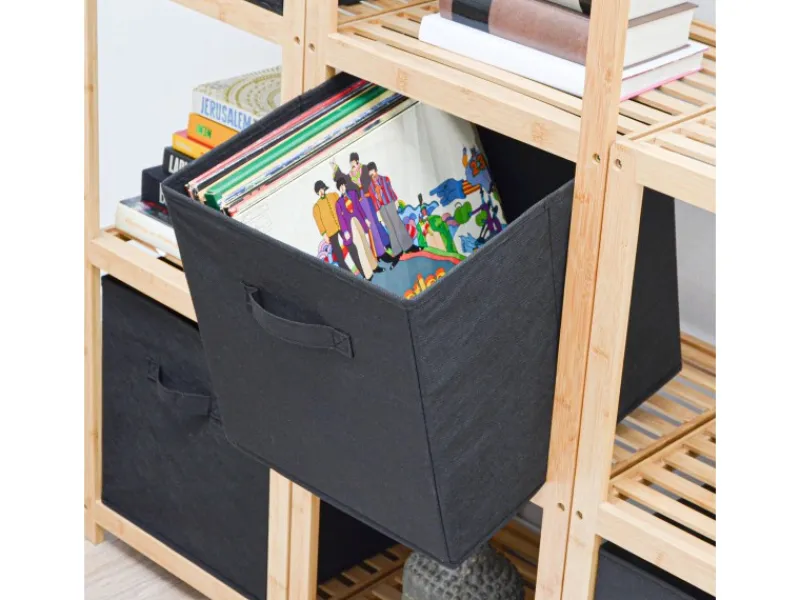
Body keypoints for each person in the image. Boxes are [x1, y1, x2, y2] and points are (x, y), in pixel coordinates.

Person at [365, 162, 418, 257]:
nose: (373, 176)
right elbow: (374, 199)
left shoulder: (384, 179)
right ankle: (397, 251)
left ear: (376, 171)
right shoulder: (370, 187)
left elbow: (390, 190)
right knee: (390, 228)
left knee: (398, 224)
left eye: (373, 173)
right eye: (371, 175)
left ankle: (408, 246)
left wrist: (396, 201)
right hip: (382, 208)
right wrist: (378, 212)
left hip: (389, 203)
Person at [334, 176, 382, 280]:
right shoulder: (338, 203)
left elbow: (359, 207)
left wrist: (365, 218)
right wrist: (345, 231)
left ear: (345, 185)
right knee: (360, 247)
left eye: (343, 185)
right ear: (338, 189)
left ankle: (374, 266)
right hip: (351, 226)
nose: (342, 188)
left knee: (365, 243)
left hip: (359, 221)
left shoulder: (352, 194)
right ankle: (368, 273)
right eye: (340, 187)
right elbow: (341, 219)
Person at [312, 180, 348, 270]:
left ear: (324, 189)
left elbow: (341, 206)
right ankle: (347, 272)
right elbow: (319, 222)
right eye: (319, 190)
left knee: (350, 243)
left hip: (341, 225)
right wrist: (324, 235)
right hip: (330, 231)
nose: (321, 191)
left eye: (322, 189)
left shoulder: (333, 195)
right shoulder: (317, 207)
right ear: (317, 192)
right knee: (338, 253)